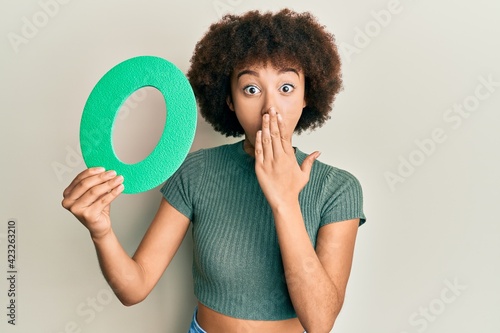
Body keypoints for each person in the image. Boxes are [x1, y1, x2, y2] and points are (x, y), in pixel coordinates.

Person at [62, 8, 366, 333]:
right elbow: (134, 288)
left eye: (287, 88)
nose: (270, 108)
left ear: (308, 95)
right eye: (251, 89)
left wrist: (285, 201)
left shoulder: (338, 188)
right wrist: (101, 231)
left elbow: (320, 323)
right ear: (230, 100)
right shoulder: (198, 171)